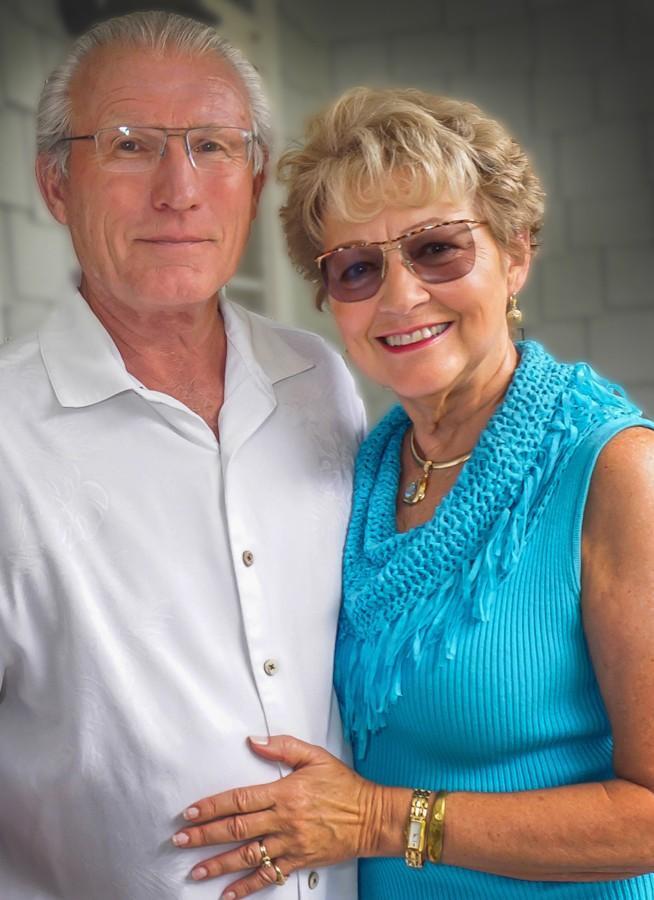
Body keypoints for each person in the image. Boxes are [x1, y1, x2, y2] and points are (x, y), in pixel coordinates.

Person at [169, 87, 654, 899]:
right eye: (358, 268)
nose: (399, 297)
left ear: (515, 254)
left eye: (437, 250)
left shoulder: (615, 471)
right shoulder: (363, 465)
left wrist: (381, 821)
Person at [0, 12, 364, 900]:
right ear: (55, 184)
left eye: (212, 145)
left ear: (255, 180)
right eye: (130, 146)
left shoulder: (320, 379)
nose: (180, 189)